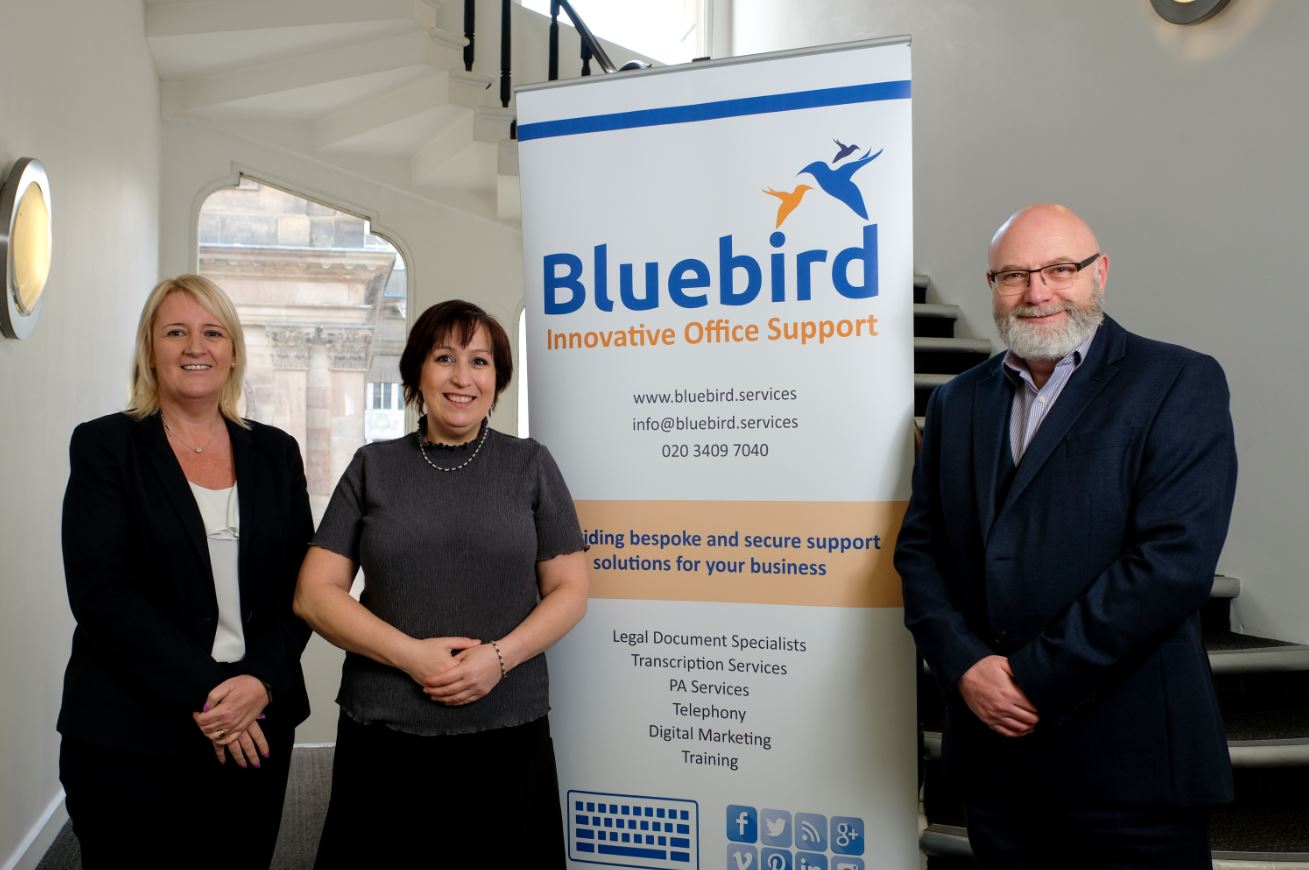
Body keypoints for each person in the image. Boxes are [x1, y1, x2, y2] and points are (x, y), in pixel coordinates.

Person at [895, 204, 1237, 868]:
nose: (1037, 292)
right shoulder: (956, 402)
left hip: (1128, 764)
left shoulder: (1175, 381)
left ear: (1099, 273)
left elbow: (1172, 564)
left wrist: (1026, 678)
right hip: (997, 766)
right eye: (1013, 275)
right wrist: (964, 665)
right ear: (991, 285)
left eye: (1060, 269)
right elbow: (920, 549)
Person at [294, 299, 588, 868]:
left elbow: (571, 591)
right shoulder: (372, 466)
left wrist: (497, 660)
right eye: (444, 357)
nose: (462, 377)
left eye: (480, 361)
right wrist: (411, 657)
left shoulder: (530, 465)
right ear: (415, 372)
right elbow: (313, 595)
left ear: (498, 378)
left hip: (506, 727)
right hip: (385, 731)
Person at [58, 274, 313, 868]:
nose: (195, 347)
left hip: (257, 721)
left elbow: (302, 590)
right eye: (176, 332)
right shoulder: (104, 446)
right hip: (131, 732)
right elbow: (102, 596)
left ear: (232, 353)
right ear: (151, 349)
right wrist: (212, 692)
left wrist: (260, 684)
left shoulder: (276, 452)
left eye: (211, 332)